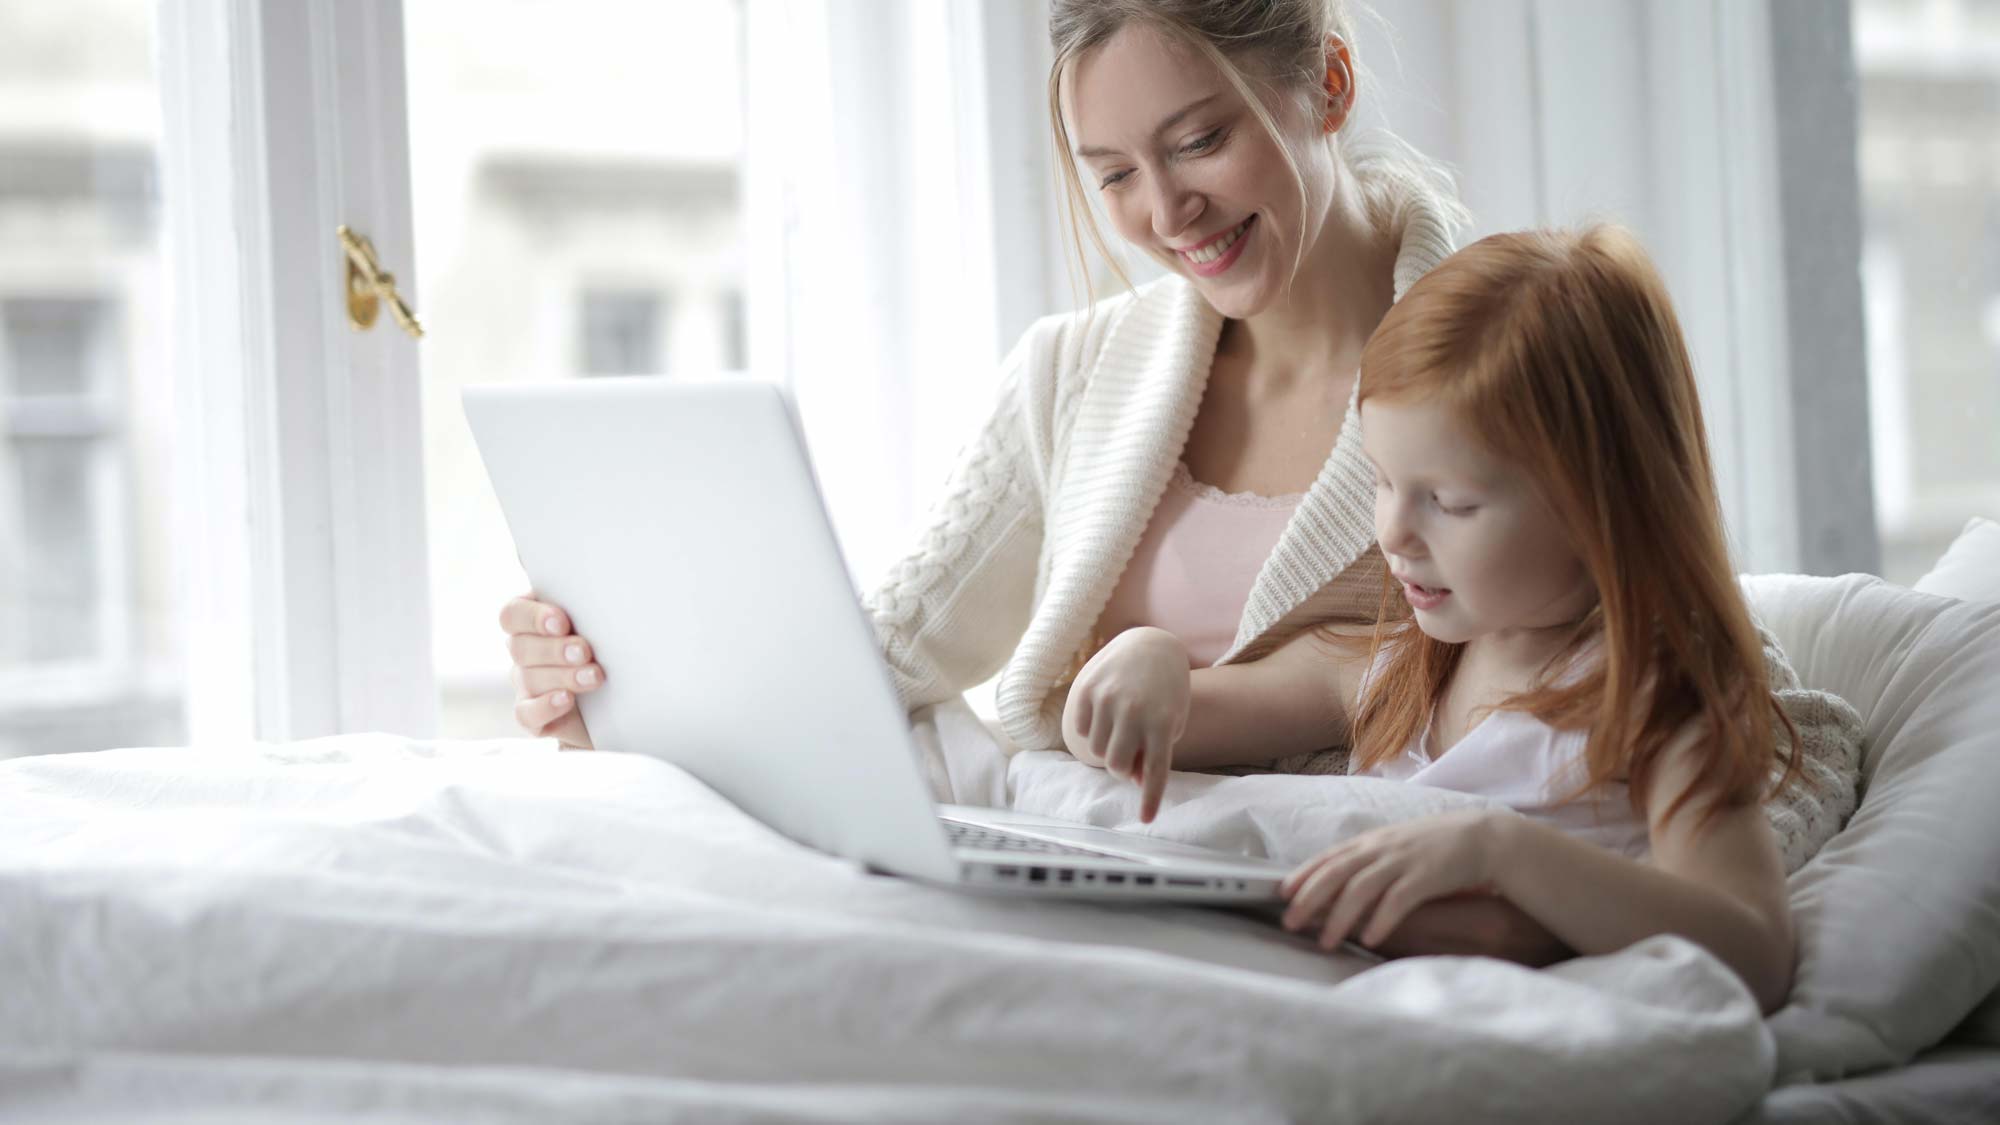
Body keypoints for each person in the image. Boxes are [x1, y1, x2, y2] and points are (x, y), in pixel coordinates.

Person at [500, 0, 1563, 960]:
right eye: (1112, 173)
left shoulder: (1513, 352)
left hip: (1334, 884)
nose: (1165, 212)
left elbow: (1572, 658)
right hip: (1089, 861)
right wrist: (630, 690)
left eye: (1199, 141)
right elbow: (888, 655)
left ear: (1326, 86)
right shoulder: (1073, 373)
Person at [1066, 225, 1804, 1011]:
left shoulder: (1653, 700)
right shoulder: (1391, 665)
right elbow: (1133, 738)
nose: (1391, 533)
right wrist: (1145, 661)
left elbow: (1753, 949)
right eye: (1382, 481)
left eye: (1448, 502)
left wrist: (1502, 851)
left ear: (1600, 505)